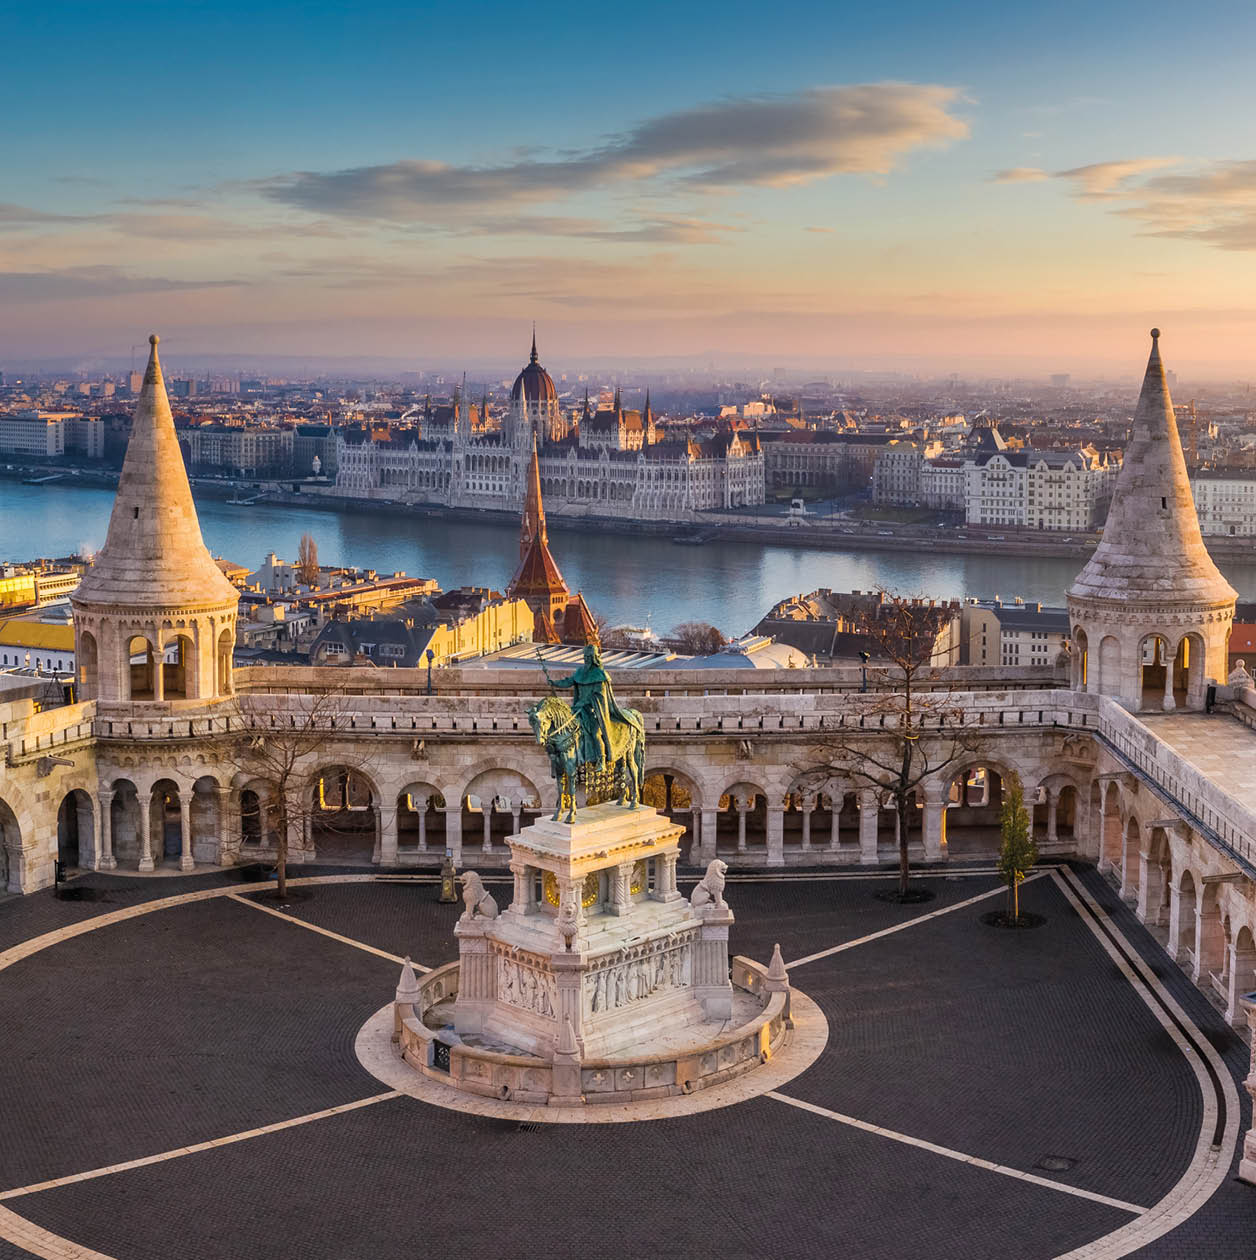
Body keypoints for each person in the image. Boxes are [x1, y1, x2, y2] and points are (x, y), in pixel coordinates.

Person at [553, 642, 640, 768]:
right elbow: (568, 681)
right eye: (585, 657)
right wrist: (554, 683)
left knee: (595, 733)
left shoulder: (600, 675)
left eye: (588, 657)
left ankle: (601, 760)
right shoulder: (580, 672)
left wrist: (591, 702)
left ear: (594, 658)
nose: (586, 660)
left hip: (594, 711)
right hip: (578, 708)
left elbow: (601, 696)